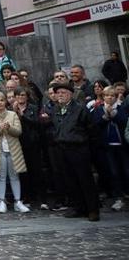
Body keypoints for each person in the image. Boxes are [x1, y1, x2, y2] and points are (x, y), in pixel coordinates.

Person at [50, 81, 99, 221]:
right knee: (70, 180)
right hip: (62, 148)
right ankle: (78, 207)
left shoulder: (80, 109)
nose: (60, 95)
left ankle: (92, 209)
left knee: (85, 179)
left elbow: (91, 129)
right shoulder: (55, 110)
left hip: (78, 148)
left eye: (63, 93)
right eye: (58, 93)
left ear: (70, 95)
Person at [0, 91, 29, 214]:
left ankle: (18, 201)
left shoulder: (13, 115)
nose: (0, 103)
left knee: (14, 175)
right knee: (1, 176)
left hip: (13, 148)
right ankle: (2, 201)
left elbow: (18, 131)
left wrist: (9, 128)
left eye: (2, 100)